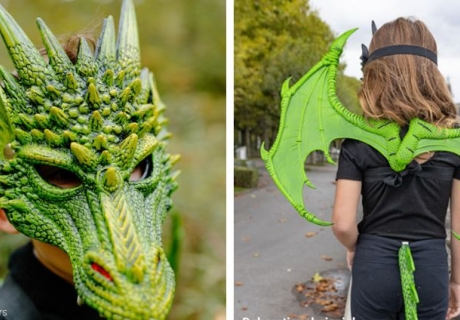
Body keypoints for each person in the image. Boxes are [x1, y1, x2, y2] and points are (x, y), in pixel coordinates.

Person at [331, 17, 460, 319]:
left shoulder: (358, 141)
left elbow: (342, 223)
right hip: (430, 266)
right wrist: (456, 280)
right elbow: (459, 228)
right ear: (433, 73)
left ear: (374, 72)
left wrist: (354, 248)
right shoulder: (453, 141)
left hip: (374, 263)